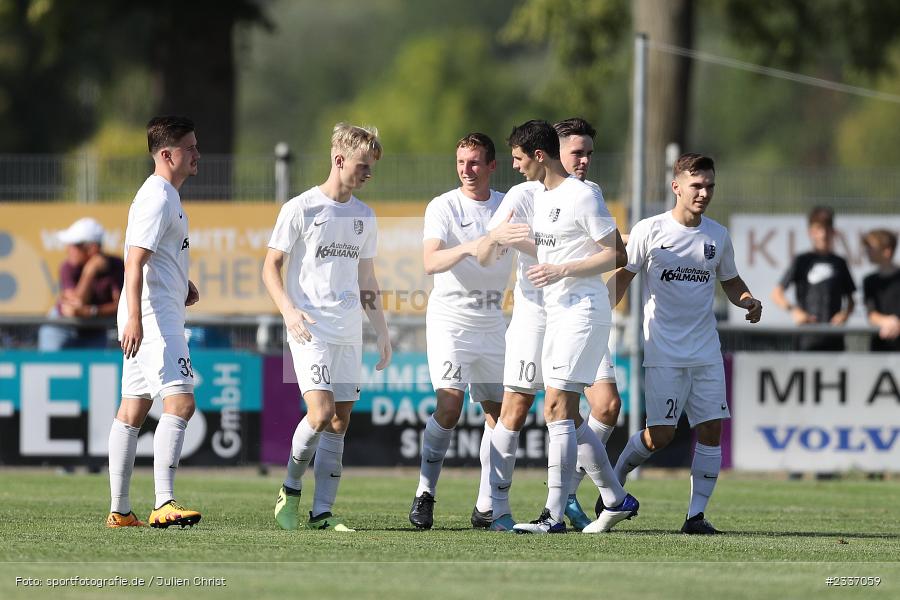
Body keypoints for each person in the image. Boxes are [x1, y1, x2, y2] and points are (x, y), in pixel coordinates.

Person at [482, 119, 635, 535]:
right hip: (558, 313)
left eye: (517, 158)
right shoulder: (546, 197)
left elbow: (616, 253)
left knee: (556, 408)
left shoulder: (582, 196)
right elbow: (549, 248)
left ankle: (553, 515)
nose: (515, 167)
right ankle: (616, 499)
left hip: (583, 311)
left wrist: (562, 269)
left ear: (537, 156)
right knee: (561, 411)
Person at [610, 153, 762, 535]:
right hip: (663, 351)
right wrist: (595, 311)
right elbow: (625, 277)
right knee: (660, 435)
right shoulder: (650, 230)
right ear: (676, 187)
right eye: (697, 185)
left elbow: (730, 280)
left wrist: (747, 300)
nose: (704, 193)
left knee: (711, 429)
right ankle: (613, 484)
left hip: (706, 351)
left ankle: (695, 517)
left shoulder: (717, 235)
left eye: (710, 186)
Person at [265, 123, 391, 532]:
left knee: (340, 420)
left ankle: (323, 513)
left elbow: (367, 279)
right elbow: (270, 267)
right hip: (309, 328)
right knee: (318, 414)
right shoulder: (300, 208)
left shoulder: (364, 215)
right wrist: (288, 311)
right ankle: (289, 488)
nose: (368, 174)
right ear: (339, 161)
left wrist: (382, 331)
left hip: (348, 330)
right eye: (363, 166)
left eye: (371, 167)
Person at [408, 133, 512, 530]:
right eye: (460, 162)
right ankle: (425, 493)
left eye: (474, 163)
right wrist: (473, 246)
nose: (466, 171)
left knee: (500, 414)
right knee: (449, 406)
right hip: (451, 319)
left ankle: (486, 504)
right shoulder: (444, 206)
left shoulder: (508, 206)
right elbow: (430, 260)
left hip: (493, 322)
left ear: (491, 167)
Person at [106, 115, 202, 529]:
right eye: (190, 148)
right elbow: (134, 259)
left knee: (132, 410)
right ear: (167, 155)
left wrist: (183, 282)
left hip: (150, 310)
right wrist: (134, 318)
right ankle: (164, 502)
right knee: (180, 403)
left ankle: (121, 510)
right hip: (150, 316)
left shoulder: (165, 195)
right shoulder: (159, 197)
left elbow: (152, 256)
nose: (197, 154)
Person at [552, 117, 625, 528]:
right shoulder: (534, 194)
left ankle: (569, 494)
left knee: (607, 405)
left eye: (589, 154)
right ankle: (494, 506)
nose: (584, 161)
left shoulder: (590, 193)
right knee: (547, 410)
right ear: (555, 152)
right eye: (577, 152)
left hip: (584, 312)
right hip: (549, 316)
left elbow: (613, 250)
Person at [771, 207, 855, 351]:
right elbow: (777, 293)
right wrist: (795, 311)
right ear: (810, 232)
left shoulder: (839, 262)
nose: (823, 235)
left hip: (833, 337)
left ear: (833, 232)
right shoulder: (802, 261)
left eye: (827, 230)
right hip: (806, 337)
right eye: (818, 229)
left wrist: (844, 315)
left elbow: (851, 300)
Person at [38, 218, 123, 351]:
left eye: (73, 246)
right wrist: (90, 271)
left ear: (91, 248)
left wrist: (90, 311)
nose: (68, 250)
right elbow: (76, 303)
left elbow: (121, 306)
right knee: (50, 366)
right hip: (60, 328)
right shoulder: (66, 267)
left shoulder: (116, 265)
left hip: (95, 331)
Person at [861, 229, 900, 352]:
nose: (868, 251)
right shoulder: (869, 280)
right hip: (880, 348)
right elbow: (871, 314)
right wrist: (888, 322)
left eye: (872, 247)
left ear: (887, 251)